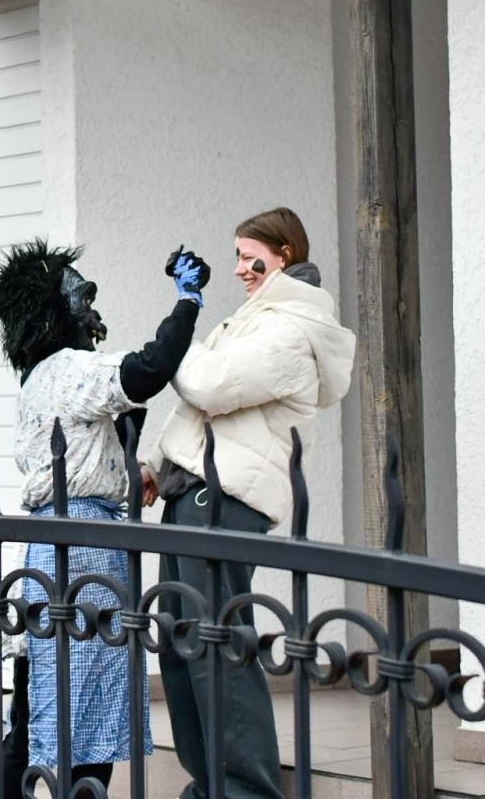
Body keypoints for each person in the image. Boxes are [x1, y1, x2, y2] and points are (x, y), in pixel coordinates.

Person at [0, 239, 210, 797]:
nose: (93, 306)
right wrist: (188, 303)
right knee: (88, 706)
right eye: (82, 296)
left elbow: (125, 410)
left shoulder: (41, 378)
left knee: (37, 694)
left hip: (50, 543)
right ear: (56, 312)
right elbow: (148, 370)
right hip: (82, 544)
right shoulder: (69, 369)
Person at [145, 208, 356, 799]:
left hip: (228, 498)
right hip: (195, 490)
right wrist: (160, 469)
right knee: (180, 639)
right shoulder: (255, 318)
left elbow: (211, 386)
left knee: (216, 643)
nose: (239, 268)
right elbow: (199, 407)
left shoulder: (293, 328)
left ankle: (247, 791)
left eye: (249, 256)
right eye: (236, 256)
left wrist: (177, 337)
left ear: (284, 253)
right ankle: (209, 783)